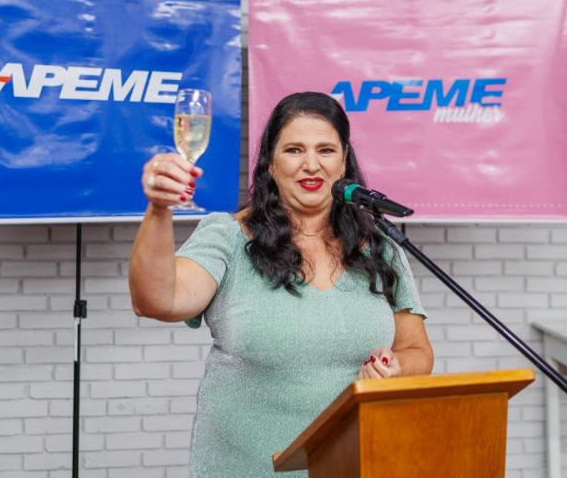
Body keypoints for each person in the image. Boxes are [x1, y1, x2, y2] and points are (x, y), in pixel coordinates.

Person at [129, 91, 434, 477]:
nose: (311, 165)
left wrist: (397, 367)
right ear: (270, 163)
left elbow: (417, 350)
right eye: (294, 150)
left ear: (344, 162)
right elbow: (157, 300)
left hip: (353, 465)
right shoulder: (228, 237)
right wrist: (159, 211)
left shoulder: (379, 248)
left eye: (326, 150)